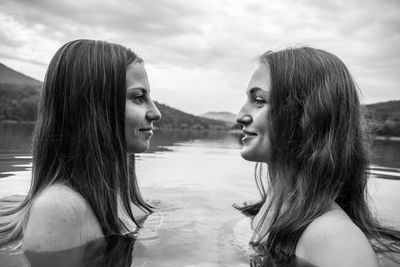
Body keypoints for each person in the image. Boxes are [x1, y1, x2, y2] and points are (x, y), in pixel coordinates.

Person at [235, 47, 400, 266]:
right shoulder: (268, 210)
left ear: (308, 116)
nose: (240, 116)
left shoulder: (336, 240)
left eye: (259, 100)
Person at [0, 39, 161, 252]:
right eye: (138, 97)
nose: (156, 113)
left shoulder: (120, 198)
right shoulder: (59, 210)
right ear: (93, 108)